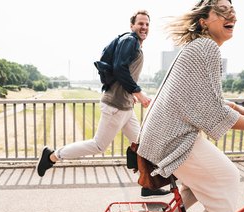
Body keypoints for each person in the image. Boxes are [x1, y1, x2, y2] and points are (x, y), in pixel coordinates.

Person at [136, 1, 244, 212]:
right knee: (228, 176)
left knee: (202, 180)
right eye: (222, 10)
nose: (231, 14)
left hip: (162, 135)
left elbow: (199, 96)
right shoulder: (207, 48)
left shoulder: (197, 46)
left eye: (232, 10)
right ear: (204, 20)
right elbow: (211, 111)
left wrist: (232, 106)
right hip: (173, 138)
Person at [36, 10, 170, 199]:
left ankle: (148, 185)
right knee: (98, 146)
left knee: (141, 143)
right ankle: (52, 156)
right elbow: (120, 68)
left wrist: (133, 94)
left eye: (147, 24)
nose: (144, 27)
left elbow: (125, 74)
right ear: (132, 25)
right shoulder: (130, 41)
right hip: (115, 106)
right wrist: (137, 92)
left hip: (125, 107)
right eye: (140, 23)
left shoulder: (135, 44)